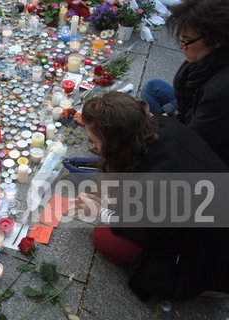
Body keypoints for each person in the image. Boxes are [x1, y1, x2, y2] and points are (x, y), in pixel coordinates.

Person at [70, 92, 229, 301]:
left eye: (94, 141)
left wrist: (101, 213)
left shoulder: (160, 183)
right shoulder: (161, 126)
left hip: (208, 257)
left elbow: (148, 231)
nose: (94, 147)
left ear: (115, 142)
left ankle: (210, 288)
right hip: (203, 214)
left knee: (104, 236)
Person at [140, 0, 229, 168]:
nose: (181, 46)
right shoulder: (209, 59)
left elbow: (193, 142)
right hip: (190, 115)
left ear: (216, 40)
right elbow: (187, 98)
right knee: (154, 87)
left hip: (212, 154)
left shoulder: (221, 92)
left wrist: (156, 126)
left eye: (186, 41)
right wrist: (170, 111)